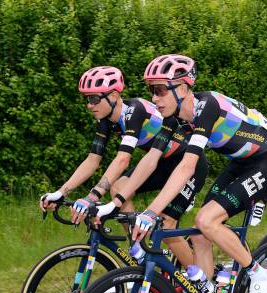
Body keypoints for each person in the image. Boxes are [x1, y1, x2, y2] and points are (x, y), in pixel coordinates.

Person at [131, 54, 267, 293]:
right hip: (239, 163)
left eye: (161, 89)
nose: (155, 98)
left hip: (266, 162)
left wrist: (151, 212)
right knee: (200, 236)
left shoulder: (207, 106)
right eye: (151, 90)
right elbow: (151, 160)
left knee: (206, 220)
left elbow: (188, 165)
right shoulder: (174, 118)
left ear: (184, 87)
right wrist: (116, 198)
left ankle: (259, 274)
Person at [40, 66, 207, 268]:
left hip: (188, 165)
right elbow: (92, 160)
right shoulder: (106, 121)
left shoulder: (135, 110)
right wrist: (60, 192)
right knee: (118, 187)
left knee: (166, 225)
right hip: (159, 164)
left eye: (94, 99)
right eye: (87, 99)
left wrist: (92, 197)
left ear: (113, 96)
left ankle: (201, 282)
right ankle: (139, 249)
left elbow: (122, 160)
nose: (89, 105)